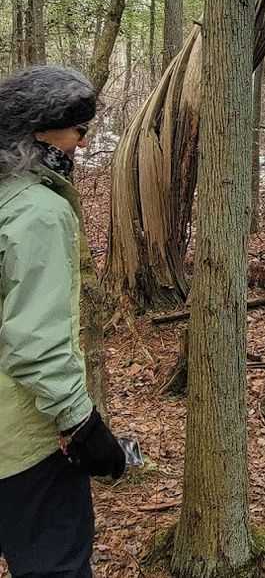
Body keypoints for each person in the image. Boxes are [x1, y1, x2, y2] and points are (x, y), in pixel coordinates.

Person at [0, 66, 126, 578]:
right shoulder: (38, 213)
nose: (83, 143)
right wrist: (82, 424)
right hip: (23, 446)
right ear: (39, 129)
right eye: (79, 129)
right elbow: (36, 342)